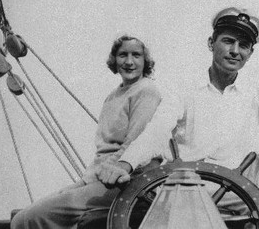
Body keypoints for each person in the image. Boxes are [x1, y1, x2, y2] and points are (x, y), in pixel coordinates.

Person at [95, 0, 259, 228]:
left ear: (250, 54)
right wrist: (124, 164)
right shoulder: (183, 92)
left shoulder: (255, 96)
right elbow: (156, 132)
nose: (234, 51)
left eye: (243, 45)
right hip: (182, 193)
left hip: (235, 198)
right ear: (211, 43)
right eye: (228, 41)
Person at [11, 35, 162, 229]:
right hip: (100, 179)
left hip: (127, 182)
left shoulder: (146, 90)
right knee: (29, 212)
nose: (129, 61)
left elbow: (135, 146)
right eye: (123, 55)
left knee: (28, 219)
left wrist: (91, 180)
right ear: (114, 60)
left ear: (145, 61)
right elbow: (103, 152)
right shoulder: (112, 97)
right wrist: (82, 182)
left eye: (136, 55)